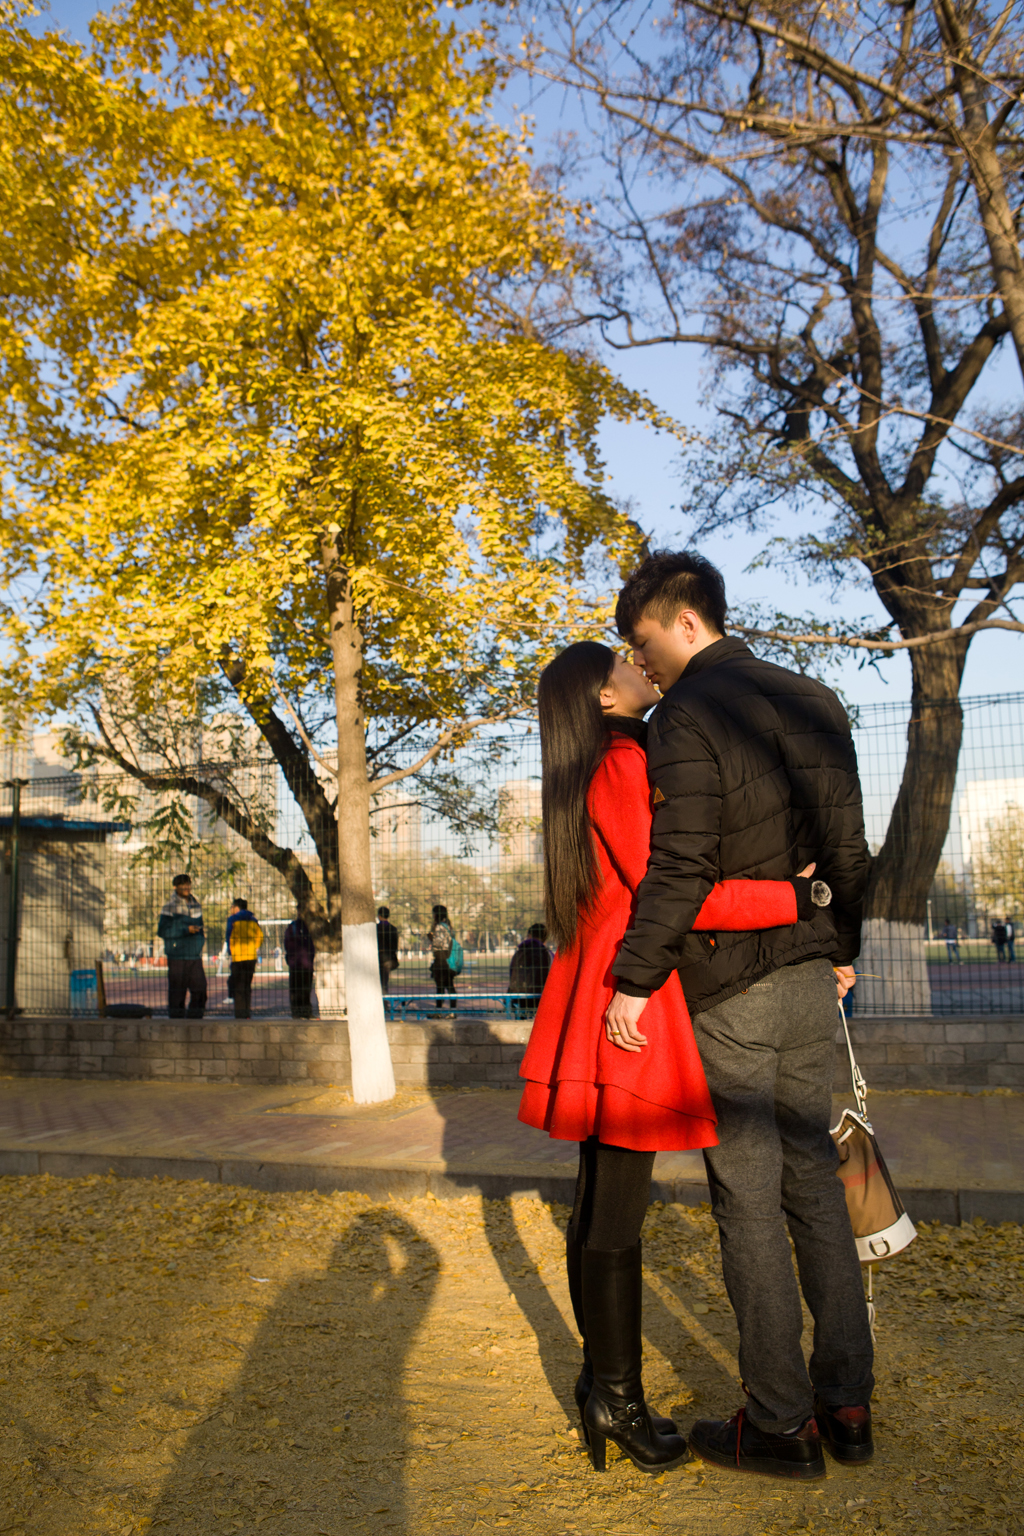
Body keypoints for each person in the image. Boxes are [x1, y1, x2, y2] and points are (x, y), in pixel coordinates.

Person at [519, 640, 822, 1476]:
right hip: (633, 1002)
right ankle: (618, 1400)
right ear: (601, 697)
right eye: (620, 662)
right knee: (616, 1211)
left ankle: (602, 1386)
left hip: (597, 990)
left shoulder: (593, 767)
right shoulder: (621, 765)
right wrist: (798, 895)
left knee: (598, 1203)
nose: (638, 665)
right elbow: (677, 890)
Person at [605, 551, 873, 1480]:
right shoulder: (816, 697)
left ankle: (779, 1423)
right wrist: (841, 946)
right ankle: (847, 1404)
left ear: (686, 622)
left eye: (644, 642)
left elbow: (680, 865)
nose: (643, 663)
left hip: (730, 987)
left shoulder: (688, 715)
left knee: (748, 1201)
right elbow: (849, 847)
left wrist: (634, 979)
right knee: (816, 1187)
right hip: (807, 978)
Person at [157, 874, 207, 1019]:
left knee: (200, 990)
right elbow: (162, 931)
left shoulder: (196, 905)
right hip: (177, 956)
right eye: (183, 885)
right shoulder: (169, 907)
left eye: (188, 884)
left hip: (194, 956)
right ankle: (176, 1024)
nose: (186, 887)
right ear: (175, 887)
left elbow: (201, 928)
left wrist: (199, 942)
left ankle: (194, 1022)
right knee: (177, 994)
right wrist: (185, 930)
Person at [227, 898, 263, 1019]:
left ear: (237, 907)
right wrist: (253, 947)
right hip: (251, 957)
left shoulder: (232, 919)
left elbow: (229, 936)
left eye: (232, 907)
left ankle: (240, 1014)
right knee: (247, 985)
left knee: (238, 987)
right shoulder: (253, 920)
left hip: (238, 957)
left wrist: (231, 951)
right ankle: (247, 1013)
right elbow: (260, 937)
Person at [507, 923, 552, 1018]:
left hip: (518, 997)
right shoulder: (548, 954)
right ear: (545, 938)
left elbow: (511, 973)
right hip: (541, 997)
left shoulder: (519, 953)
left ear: (530, 935)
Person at [284, 907, 315, 1018]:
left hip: (299, 964)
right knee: (302, 989)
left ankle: (299, 1012)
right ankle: (303, 1012)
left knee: (299, 989)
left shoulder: (295, 927)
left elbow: (287, 943)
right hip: (302, 963)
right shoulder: (304, 927)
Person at [428, 904, 457, 1011]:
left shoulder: (439, 927)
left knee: (441, 987)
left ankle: (439, 1010)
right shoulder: (448, 926)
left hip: (441, 958)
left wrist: (431, 937)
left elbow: (438, 943)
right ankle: (452, 1010)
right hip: (448, 959)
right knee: (449, 986)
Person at [377, 906, 401, 993]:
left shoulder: (375, 928)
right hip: (388, 958)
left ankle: (382, 997)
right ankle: (384, 996)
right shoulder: (393, 928)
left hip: (377, 957)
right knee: (384, 980)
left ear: (379, 916)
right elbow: (395, 946)